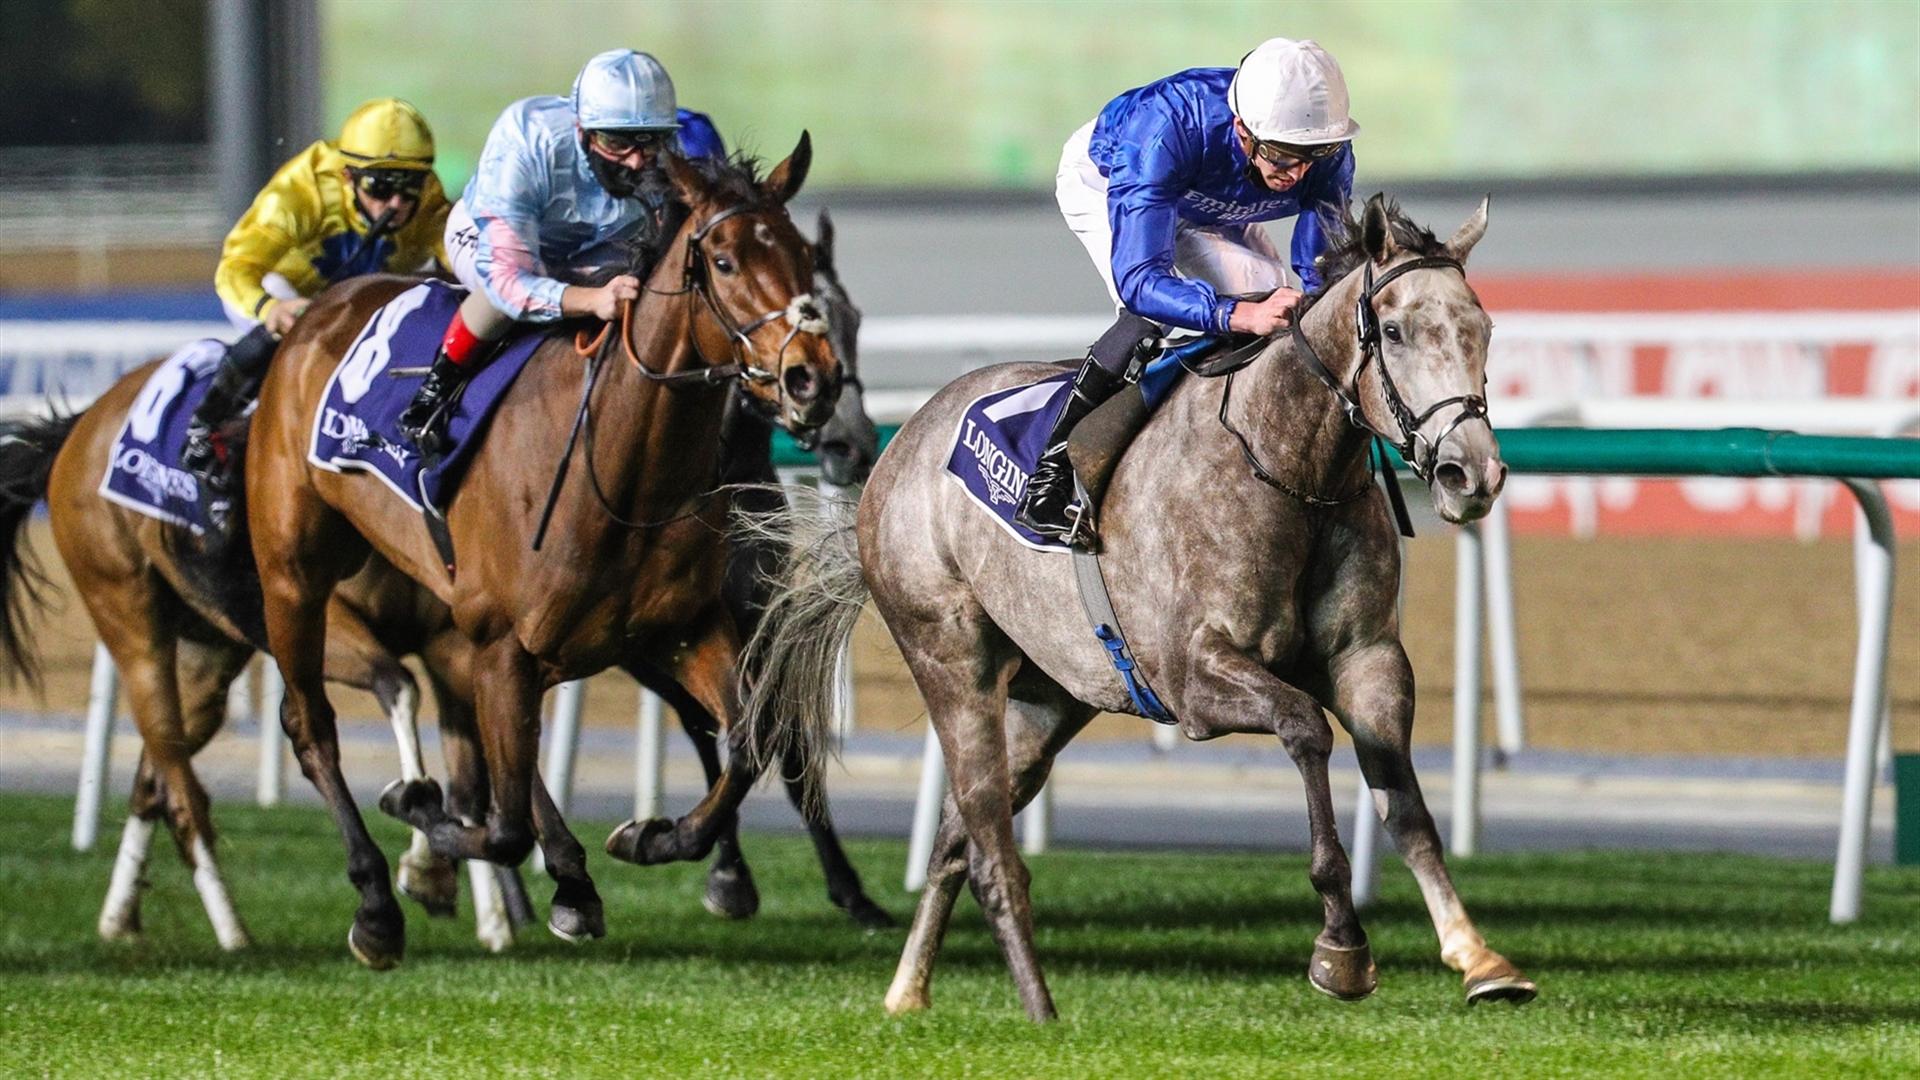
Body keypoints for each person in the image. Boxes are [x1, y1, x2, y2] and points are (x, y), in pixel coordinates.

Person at [1015, 37, 1359, 541]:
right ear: (1243, 130)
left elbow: (1318, 272)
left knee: (1276, 299)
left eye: (1315, 155)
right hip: (1115, 179)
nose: (1299, 173)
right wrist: (1235, 316)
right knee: (1164, 314)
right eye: (1285, 156)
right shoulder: (1163, 128)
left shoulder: (1324, 150)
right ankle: (1048, 477)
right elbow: (1141, 281)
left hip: (1208, 198)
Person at [398, 48, 725, 452]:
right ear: (582, 129)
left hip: (591, 248)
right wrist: (593, 299)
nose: (638, 161)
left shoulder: (670, 155)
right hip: (488, 236)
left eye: (651, 141)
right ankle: (434, 392)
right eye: (615, 142)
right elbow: (508, 282)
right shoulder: (526, 136)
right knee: (501, 300)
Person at [183, 98, 451, 483]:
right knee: (295, 335)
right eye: (380, 186)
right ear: (347, 176)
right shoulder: (301, 191)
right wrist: (270, 307)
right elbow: (236, 268)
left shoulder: (427, 200)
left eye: (410, 186)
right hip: (285, 289)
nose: (397, 203)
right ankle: (205, 426)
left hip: (358, 299)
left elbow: (465, 257)